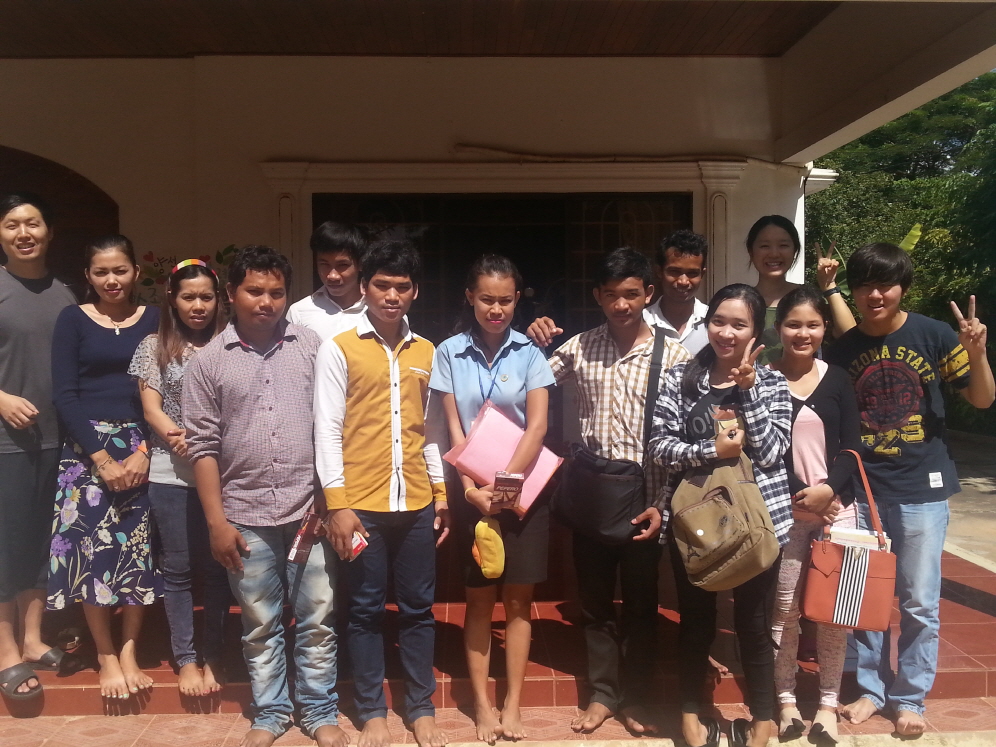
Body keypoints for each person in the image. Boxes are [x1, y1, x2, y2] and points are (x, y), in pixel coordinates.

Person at [826, 243, 994, 737]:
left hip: (923, 486)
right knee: (863, 596)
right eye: (864, 286)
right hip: (863, 491)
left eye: (886, 285)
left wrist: (977, 353)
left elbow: (982, 400)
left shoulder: (934, 334)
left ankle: (909, 698)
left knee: (919, 600)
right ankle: (870, 690)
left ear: (903, 287)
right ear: (853, 291)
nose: (875, 295)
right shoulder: (842, 349)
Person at [183, 246, 345, 747]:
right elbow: (203, 448)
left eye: (277, 292)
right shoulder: (208, 363)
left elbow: (333, 426)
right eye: (254, 291)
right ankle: (271, 713)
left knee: (318, 617)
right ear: (231, 293)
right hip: (244, 515)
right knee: (259, 622)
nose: (266, 302)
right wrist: (217, 523)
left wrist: (331, 500)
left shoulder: (313, 347)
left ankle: (319, 711)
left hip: (308, 512)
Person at [529, 247, 689, 735]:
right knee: (595, 604)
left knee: (641, 605)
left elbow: (686, 434)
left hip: (647, 500)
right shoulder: (579, 348)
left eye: (632, 294)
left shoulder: (675, 355)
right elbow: (526, 383)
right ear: (598, 296)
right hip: (593, 497)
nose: (622, 305)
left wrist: (664, 504)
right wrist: (529, 340)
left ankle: (636, 698)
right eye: (612, 295)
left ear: (648, 294)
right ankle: (602, 694)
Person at [314, 238, 450, 747]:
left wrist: (440, 493)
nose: (392, 295)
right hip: (361, 508)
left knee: (418, 609)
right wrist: (338, 504)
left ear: (415, 292)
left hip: (415, 503)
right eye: (382, 285)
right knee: (365, 610)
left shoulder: (428, 352)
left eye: (402, 286)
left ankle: (421, 707)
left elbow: (431, 431)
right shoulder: (339, 348)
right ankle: (372, 710)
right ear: (365, 289)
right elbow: (327, 429)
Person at [648, 283, 793, 747]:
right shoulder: (680, 378)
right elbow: (659, 447)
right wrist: (710, 450)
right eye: (718, 321)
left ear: (756, 332)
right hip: (695, 523)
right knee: (696, 621)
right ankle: (691, 714)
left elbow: (771, 453)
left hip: (757, 524)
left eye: (739, 325)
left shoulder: (772, 383)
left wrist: (749, 392)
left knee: (754, 623)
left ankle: (764, 719)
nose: (726, 333)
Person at [429, 254, 554, 743]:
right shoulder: (448, 352)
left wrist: (505, 484)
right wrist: (468, 490)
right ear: (470, 297)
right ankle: (482, 704)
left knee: (519, 602)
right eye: (486, 299)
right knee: (478, 601)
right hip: (472, 495)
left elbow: (537, 427)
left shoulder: (531, 354)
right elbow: (452, 428)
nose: (496, 309)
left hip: (523, 494)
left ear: (517, 300)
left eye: (505, 300)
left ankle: (513, 703)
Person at [48, 234, 162, 700]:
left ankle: (130, 649)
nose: (111, 280)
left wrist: (146, 449)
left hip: (142, 445)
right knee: (90, 552)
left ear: (135, 272)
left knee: (136, 548)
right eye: (101, 272)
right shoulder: (72, 319)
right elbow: (65, 394)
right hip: (86, 450)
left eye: (120, 270)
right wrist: (101, 457)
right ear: (88, 276)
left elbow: (169, 388)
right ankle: (105, 653)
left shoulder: (155, 319)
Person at [128, 259, 229, 697]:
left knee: (220, 568)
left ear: (218, 299)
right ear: (172, 298)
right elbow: (151, 408)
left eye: (206, 297)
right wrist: (182, 440)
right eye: (189, 297)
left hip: (224, 473)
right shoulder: (154, 345)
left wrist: (209, 444)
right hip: (171, 471)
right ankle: (186, 659)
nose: (198, 306)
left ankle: (215, 655)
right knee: (179, 568)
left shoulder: (231, 343)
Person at [767, 286, 862, 744]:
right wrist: (799, 496)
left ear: (824, 329)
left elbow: (852, 446)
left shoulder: (838, 379)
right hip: (786, 514)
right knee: (783, 609)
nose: (802, 333)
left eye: (813, 325)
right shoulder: (764, 380)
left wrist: (828, 491)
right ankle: (786, 701)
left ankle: (827, 704)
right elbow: (762, 451)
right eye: (793, 324)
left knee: (833, 614)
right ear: (778, 328)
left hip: (838, 512)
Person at [0, 193, 80, 700]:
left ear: (49, 232)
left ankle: (32, 638)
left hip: (56, 440)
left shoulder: (65, 293)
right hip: (5, 443)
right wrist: (1, 399)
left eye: (32, 223)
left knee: (38, 543)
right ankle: (5, 649)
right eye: (12, 224)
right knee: (5, 546)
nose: (23, 233)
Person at [745, 215, 855, 362]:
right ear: (751, 251)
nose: (774, 253)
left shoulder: (809, 299)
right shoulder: (741, 302)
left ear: (795, 250)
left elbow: (851, 337)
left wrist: (829, 286)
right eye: (765, 246)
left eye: (783, 245)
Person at [286, 221, 367, 339]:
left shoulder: (379, 311)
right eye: (324, 264)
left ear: (360, 264)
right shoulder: (299, 312)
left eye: (342, 265)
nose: (332, 276)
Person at [645, 229, 710, 355]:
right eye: (674, 272)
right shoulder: (642, 323)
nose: (683, 281)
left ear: (702, 274)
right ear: (659, 271)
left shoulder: (714, 323)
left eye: (692, 273)